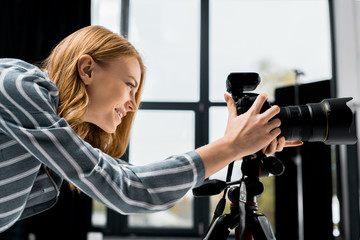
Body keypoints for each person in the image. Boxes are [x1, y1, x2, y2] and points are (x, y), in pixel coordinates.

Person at [0, 25, 301, 233]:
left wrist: (236, 143)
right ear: (87, 69)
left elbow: (130, 178)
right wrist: (232, 146)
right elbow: (128, 190)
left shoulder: (44, 124)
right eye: (129, 85)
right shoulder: (17, 86)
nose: (132, 105)